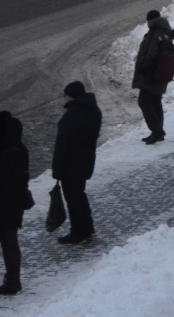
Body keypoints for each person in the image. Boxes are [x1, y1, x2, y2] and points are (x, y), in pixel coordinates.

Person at [0, 111, 32, 295]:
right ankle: (13, 278)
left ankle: (13, 281)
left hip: (6, 205)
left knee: (9, 243)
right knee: (11, 242)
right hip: (17, 202)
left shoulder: (8, 154)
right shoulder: (21, 150)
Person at [52, 81, 101, 243]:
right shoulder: (94, 111)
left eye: (65, 95)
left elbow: (62, 146)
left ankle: (78, 232)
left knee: (73, 199)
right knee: (79, 195)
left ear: (71, 96)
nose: (64, 99)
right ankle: (87, 228)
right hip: (86, 161)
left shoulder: (72, 115)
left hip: (70, 165)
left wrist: (57, 170)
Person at [132, 10, 174, 144]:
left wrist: (141, 68)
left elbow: (149, 54)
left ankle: (157, 131)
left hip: (151, 75)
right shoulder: (166, 32)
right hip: (162, 74)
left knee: (144, 101)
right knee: (155, 101)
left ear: (150, 21)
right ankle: (157, 132)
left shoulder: (154, 32)